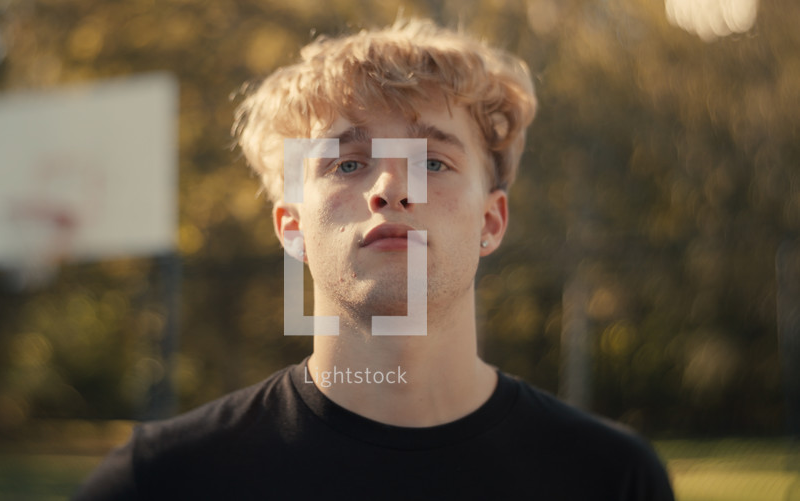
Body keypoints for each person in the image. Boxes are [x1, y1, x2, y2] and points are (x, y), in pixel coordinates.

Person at [74, 18, 674, 500]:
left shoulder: (611, 479)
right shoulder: (161, 481)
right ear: (293, 228)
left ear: (491, 221)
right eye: (347, 162)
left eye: (433, 162)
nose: (392, 187)